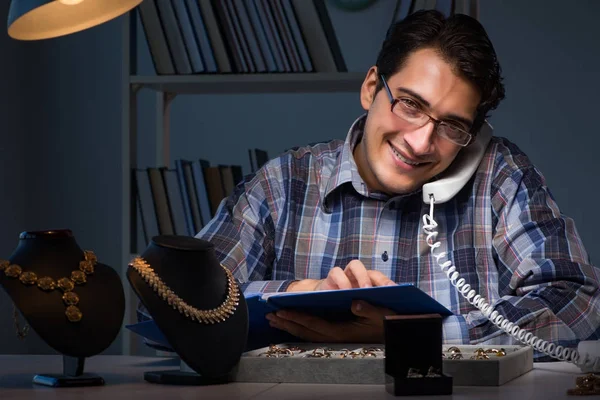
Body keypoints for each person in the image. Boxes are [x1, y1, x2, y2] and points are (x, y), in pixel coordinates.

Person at [196, 10, 600, 359]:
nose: (421, 142)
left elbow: (578, 301)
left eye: (453, 125)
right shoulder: (284, 182)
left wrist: (423, 334)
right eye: (410, 104)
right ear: (371, 88)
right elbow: (175, 302)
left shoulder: (499, 175)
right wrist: (305, 293)